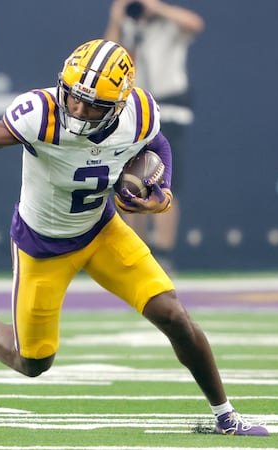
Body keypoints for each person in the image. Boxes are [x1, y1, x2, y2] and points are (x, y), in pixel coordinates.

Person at [0, 39, 269, 436]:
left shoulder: (139, 112)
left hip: (101, 230)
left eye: (93, 104)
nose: (78, 107)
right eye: (73, 96)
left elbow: (156, 145)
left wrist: (158, 189)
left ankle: (226, 415)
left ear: (119, 106)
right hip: (42, 245)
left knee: (173, 315)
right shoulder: (40, 112)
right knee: (33, 362)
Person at [104, 0, 204, 272]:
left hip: (170, 107)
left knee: (164, 180)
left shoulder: (168, 22)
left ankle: (164, 253)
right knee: (130, 180)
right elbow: (107, 57)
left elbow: (195, 23)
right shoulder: (128, 25)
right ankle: (137, 250)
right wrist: (117, 18)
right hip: (136, 107)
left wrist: (154, 8)